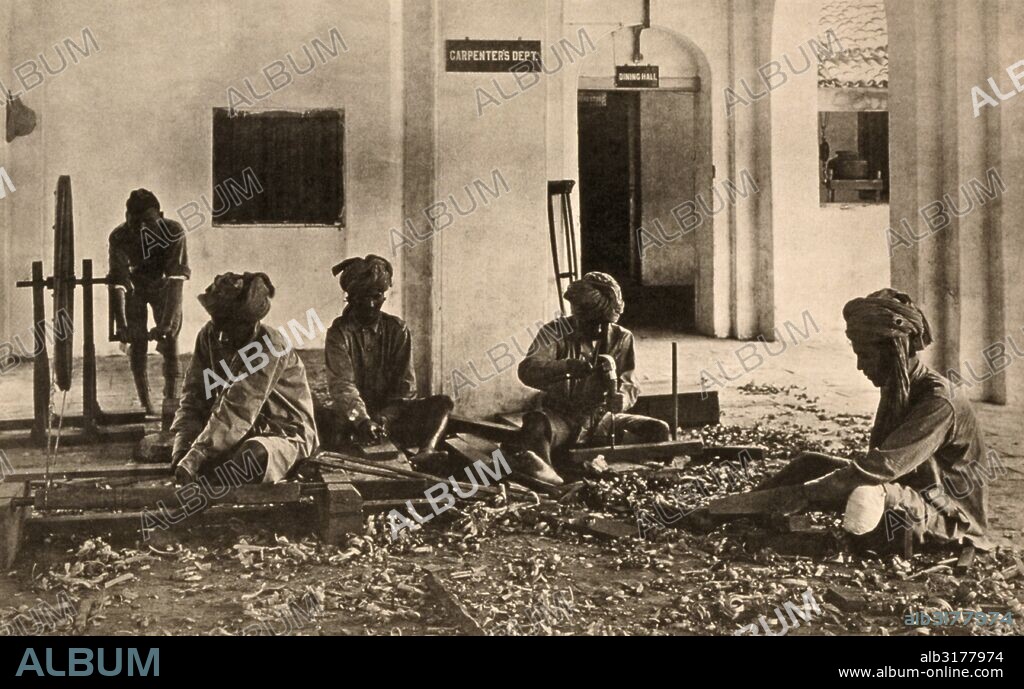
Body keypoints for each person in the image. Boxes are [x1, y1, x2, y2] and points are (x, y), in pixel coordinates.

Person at [743, 288, 992, 549]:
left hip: (947, 516)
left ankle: (753, 507)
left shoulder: (939, 401)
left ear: (895, 351)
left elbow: (880, 467)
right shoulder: (897, 385)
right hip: (901, 491)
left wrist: (807, 494)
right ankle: (735, 508)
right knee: (811, 464)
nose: (860, 366)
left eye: (866, 356)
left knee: (865, 493)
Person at [512, 272, 670, 485]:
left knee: (659, 430)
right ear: (578, 314)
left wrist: (622, 397)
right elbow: (527, 370)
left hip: (601, 419)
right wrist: (566, 367)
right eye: (591, 323)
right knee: (536, 426)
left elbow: (629, 381)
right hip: (561, 417)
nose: (598, 330)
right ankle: (552, 480)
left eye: (604, 323)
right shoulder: (555, 331)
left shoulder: (622, 337)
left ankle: (633, 474)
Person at [171, 272, 319, 486]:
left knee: (252, 456)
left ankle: (214, 485)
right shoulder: (209, 335)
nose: (221, 334)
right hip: (229, 431)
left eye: (229, 325)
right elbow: (194, 394)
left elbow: (239, 407)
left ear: (250, 323)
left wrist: (196, 456)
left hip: (282, 432)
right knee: (187, 454)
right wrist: (182, 446)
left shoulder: (270, 346)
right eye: (217, 322)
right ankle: (215, 470)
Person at [324, 255, 454, 464]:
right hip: (354, 417)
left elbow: (406, 388)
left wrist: (384, 418)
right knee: (327, 421)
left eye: (377, 296)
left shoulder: (397, 329)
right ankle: (348, 452)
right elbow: (342, 385)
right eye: (363, 297)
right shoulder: (339, 333)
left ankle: (426, 452)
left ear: (384, 296)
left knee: (442, 404)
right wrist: (363, 420)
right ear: (351, 297)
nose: (371, 303)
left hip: (391, 417)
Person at [108, 189, 188, 416]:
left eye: (148, 223)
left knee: (171, 343)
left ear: (160, 216)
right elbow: (118, 283)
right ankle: (146, 403)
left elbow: (175, 281)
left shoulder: (174, 232)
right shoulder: (119, 237)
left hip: (164, 287)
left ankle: (171, 402)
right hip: (135, 289)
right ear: (127, 219)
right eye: (135, 223)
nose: (142, 229)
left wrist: (167, 324)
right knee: (138, 344)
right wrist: (122, 325)